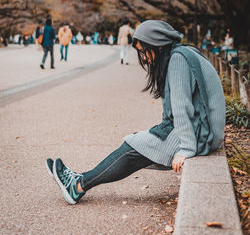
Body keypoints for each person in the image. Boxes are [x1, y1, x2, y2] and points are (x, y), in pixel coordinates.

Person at [46, 20, 225, 205]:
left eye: (144, 51)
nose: (144, 58)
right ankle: (79, 181)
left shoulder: (178, 59)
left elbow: (182, 107)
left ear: (158, 45)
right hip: (204, 129)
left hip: (203, 134)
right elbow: (174, 107)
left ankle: (78, 185)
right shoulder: (180, 53)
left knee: (134, 145)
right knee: (140, 144)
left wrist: (186, 149)